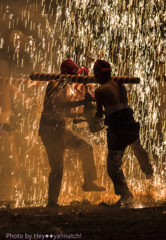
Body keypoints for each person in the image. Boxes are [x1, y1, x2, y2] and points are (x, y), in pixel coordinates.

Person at [39, 58, 105, 208]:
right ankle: (52, 201)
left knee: (86, 147)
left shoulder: (65, 86)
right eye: (73, 75)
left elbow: (66, 112)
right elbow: (59, 104)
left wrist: (86, 116)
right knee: (57, 167)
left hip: (61, 129)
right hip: (50, 131)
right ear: (67, 74)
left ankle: (88, 181)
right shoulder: (55, 84)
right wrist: (82, 103)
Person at [92, 60, 153, 206]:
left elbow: (100, 115)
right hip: (130, 122)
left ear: (99, 75)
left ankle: (126, 196)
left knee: (113, 165)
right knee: (138, 149)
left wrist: (92, 120)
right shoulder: (120, 83)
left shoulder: (100, 91)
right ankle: (149, 174)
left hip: (117, 128)